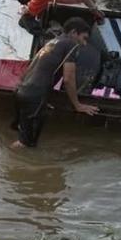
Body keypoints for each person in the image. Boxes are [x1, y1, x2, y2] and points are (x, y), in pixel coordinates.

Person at [11, 17, 99, 148]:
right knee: (26, 145)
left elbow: (31, 67)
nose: (84, 43)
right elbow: (68, 78)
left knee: (21, 134)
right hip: (35, 95)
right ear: (74, 32)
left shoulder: (52, 42)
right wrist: (77, 105)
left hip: (21, 91)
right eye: (84, 38)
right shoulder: (71, 45)